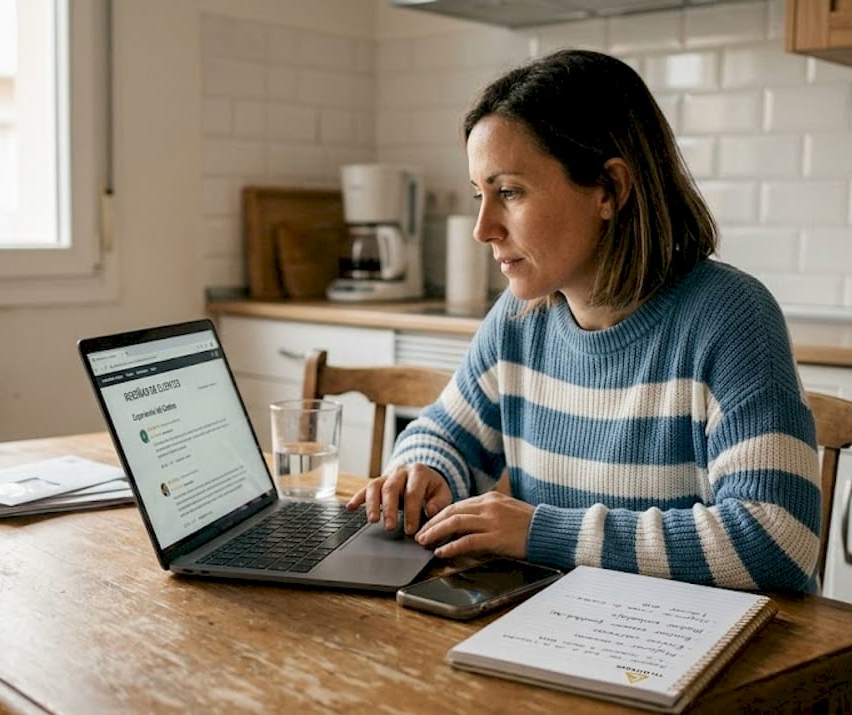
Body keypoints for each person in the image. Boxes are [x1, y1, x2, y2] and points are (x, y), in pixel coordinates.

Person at [347, 49, 820, 593]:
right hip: (565, 625)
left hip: (697, 652)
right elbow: (445, 435)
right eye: (480, 195)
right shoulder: (520, 318)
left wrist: (542, 533)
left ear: (609, 190)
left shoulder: (731, 318)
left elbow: (778, 539)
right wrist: (422, 471)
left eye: (509, 192)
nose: (483, 228)